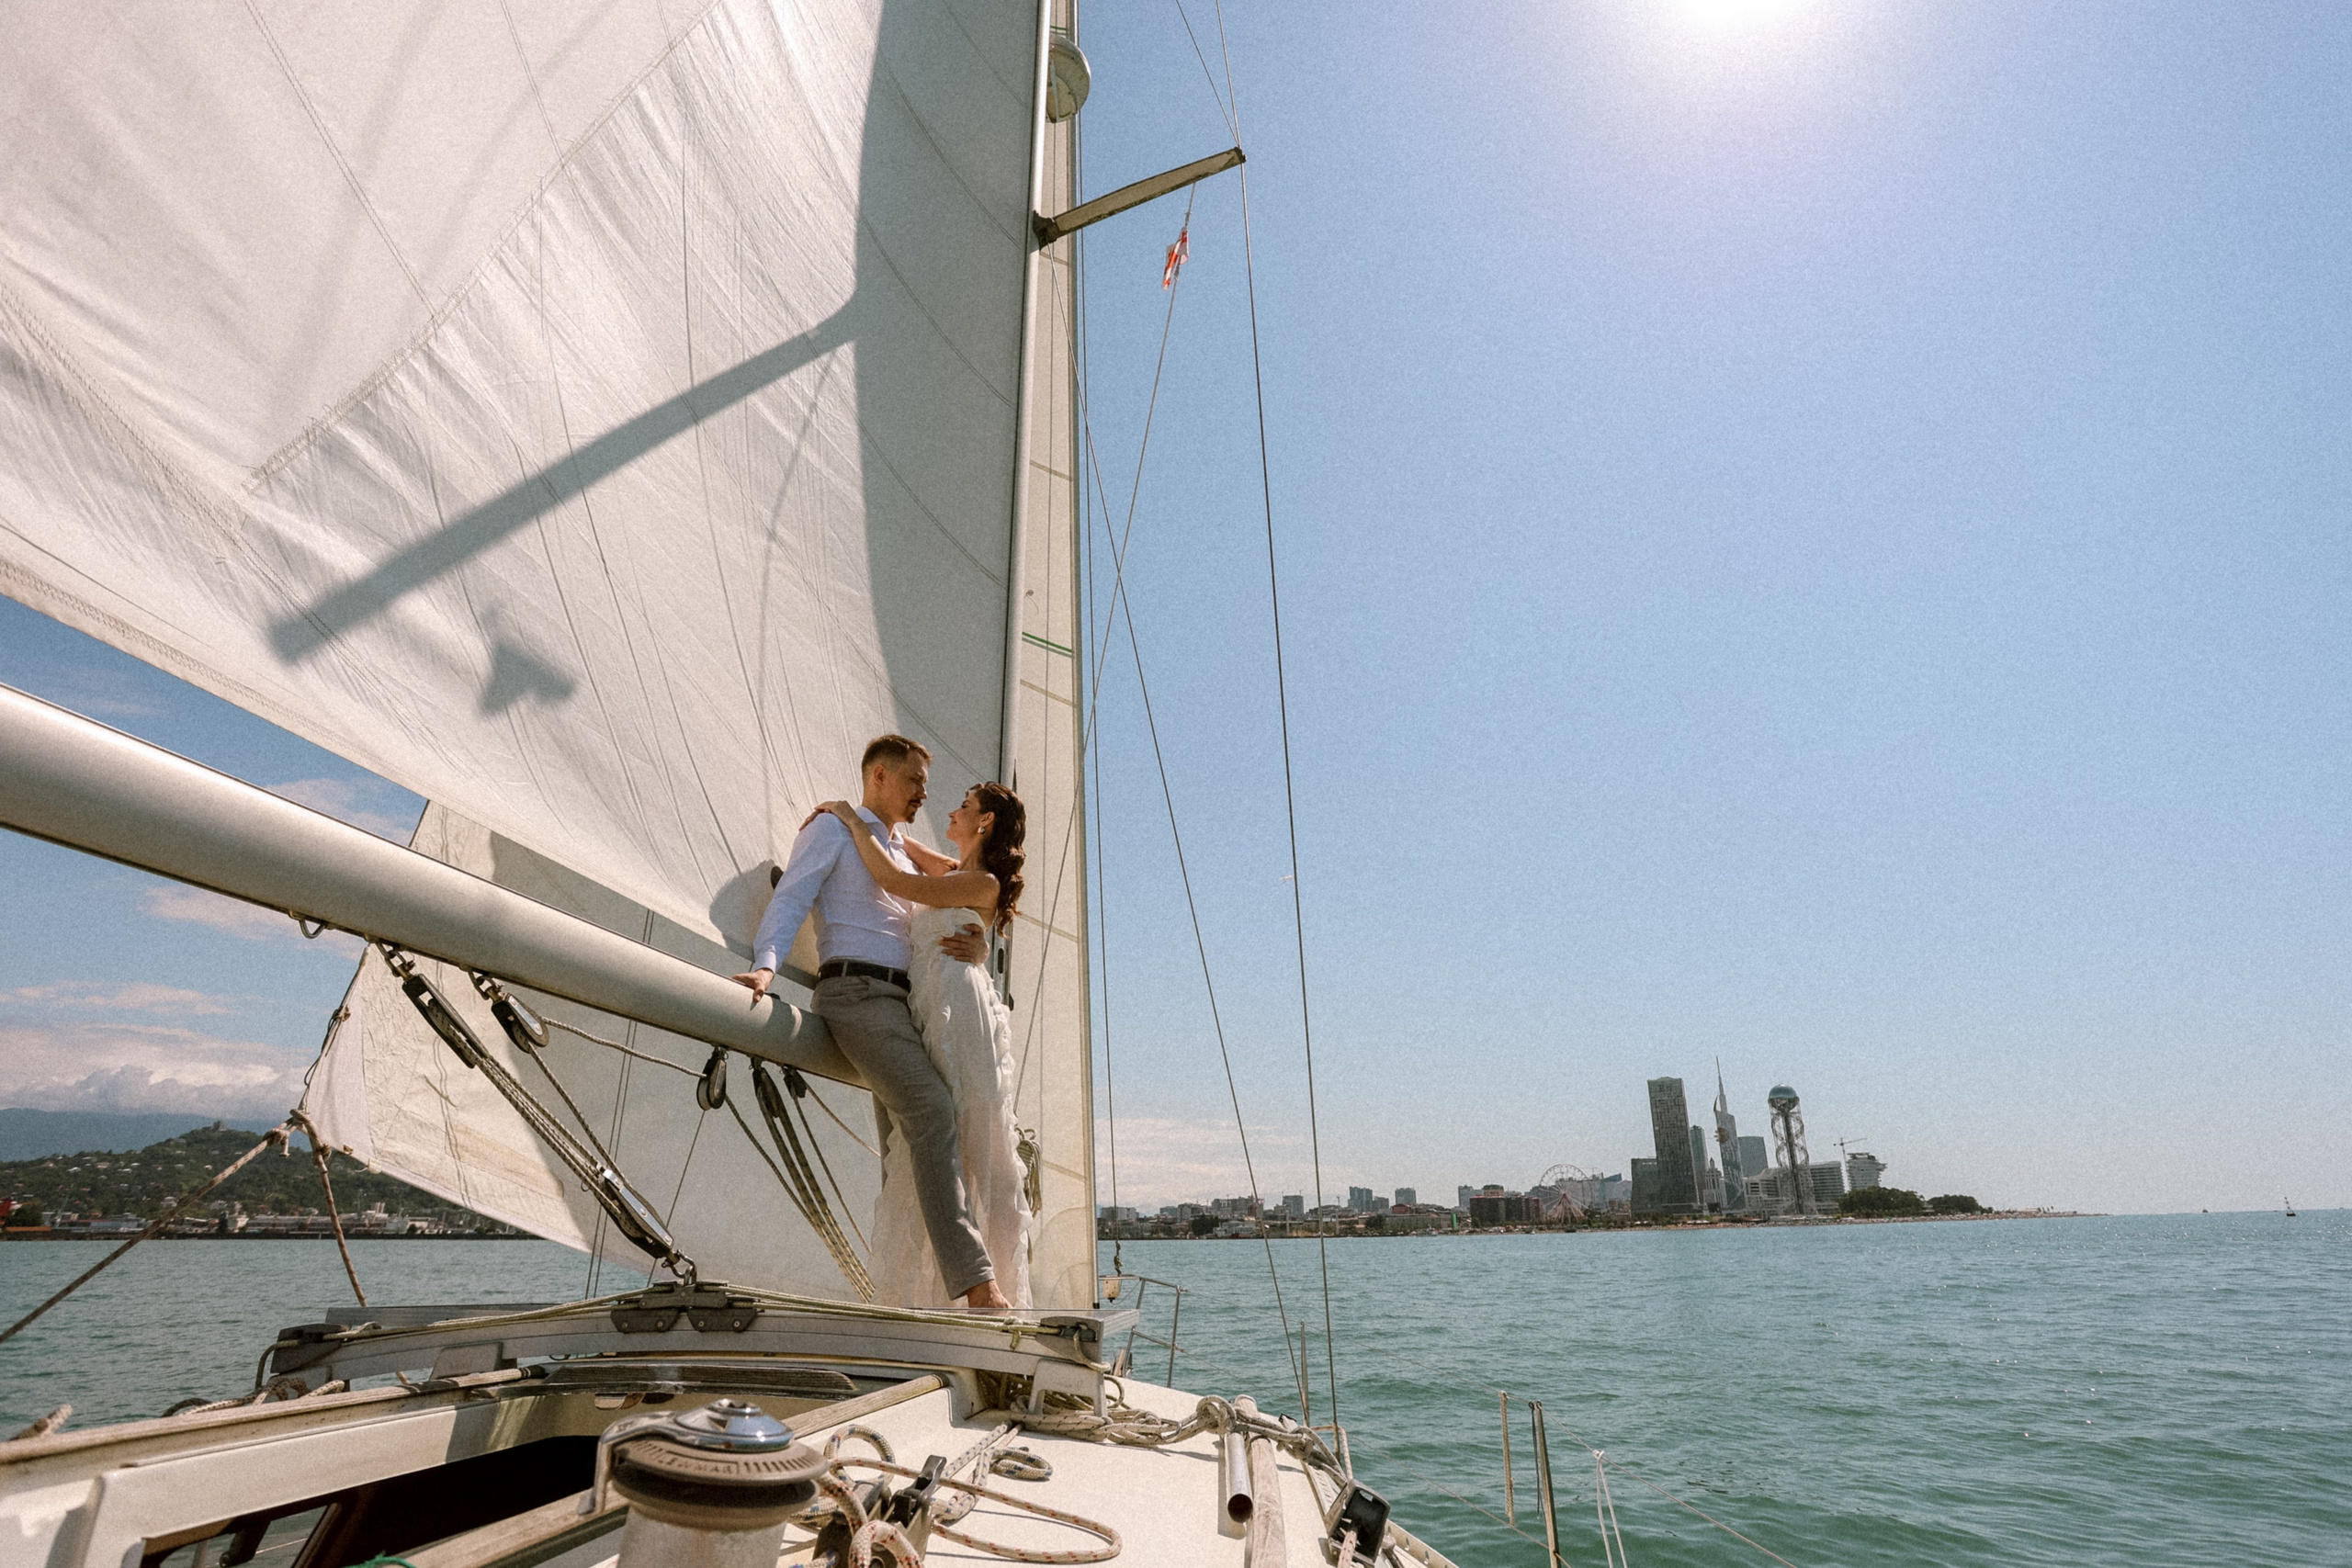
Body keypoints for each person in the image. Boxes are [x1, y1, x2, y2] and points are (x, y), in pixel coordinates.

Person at [731, 736, 1009, 1312]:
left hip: (902, 1006)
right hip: (856, 995)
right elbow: (791, 897)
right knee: (933, 1111)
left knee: (907, 1157)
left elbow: (967, 891)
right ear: (879, 776)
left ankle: (905, 1299)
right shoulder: (832, 830)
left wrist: (980, 945)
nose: (923, 795)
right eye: (914, 783)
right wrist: (764, 969)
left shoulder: (899, 852)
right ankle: (978, 1287)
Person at [817, 781, 1032, 1310]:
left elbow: (891, 877)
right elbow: (906, 852)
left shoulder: (980, 883)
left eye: (964, 808)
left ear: (984, 823)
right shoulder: (959, 874)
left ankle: (988, 1288)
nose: (950, 812)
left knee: (973, 1144)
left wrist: (848, 818)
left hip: (958, 1010)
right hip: (931, 1009)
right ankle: (939, 1297)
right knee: (936, 1139)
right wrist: (877, 823)